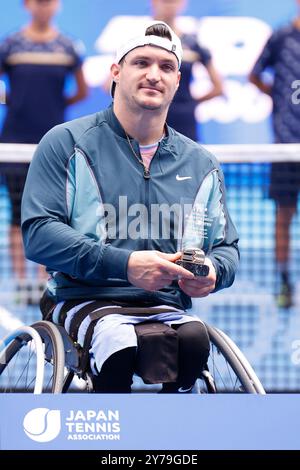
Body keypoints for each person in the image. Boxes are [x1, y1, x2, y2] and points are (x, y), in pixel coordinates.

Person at [22, 21, 239, 393]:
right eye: (141, 63)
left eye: (166, 67)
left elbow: (226, 248)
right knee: (118, 345)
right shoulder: (65, 143)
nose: (154, 74)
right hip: (80, 299)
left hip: (165, 305)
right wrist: (124, 265)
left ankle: (171, 447)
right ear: (116, 72)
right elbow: (40, 234)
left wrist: (212, 272)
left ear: (178, 81)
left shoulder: (202, 164)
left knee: (193, 342)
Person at [0, 0, 88, 292]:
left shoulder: (68, 47)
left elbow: (82, 89)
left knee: (50, 212)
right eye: (38, 2)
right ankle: (21, 282)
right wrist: (17, 105)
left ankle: (41, 279)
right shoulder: (11, 45)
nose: (44, 7)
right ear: (27, 5)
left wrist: (54, 109)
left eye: (49, 2)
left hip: (54, 142)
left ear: (58, 6)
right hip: (14, 141)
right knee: (17, 210)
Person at [249, 2, 300, 309]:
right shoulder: (281, 38)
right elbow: (255, 74)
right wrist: (278, 97)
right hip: (285, 146)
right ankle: (283, 281)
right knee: (283, 216)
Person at [151, 0, 223, 141]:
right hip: (147, 118)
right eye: (165, 1)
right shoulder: (136, 40)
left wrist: (189, 103)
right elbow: (110, 83)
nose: (169, 5)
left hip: (183, 122)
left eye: (173, 1)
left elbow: (218, 87)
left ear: (182, 3)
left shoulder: (191, 43)